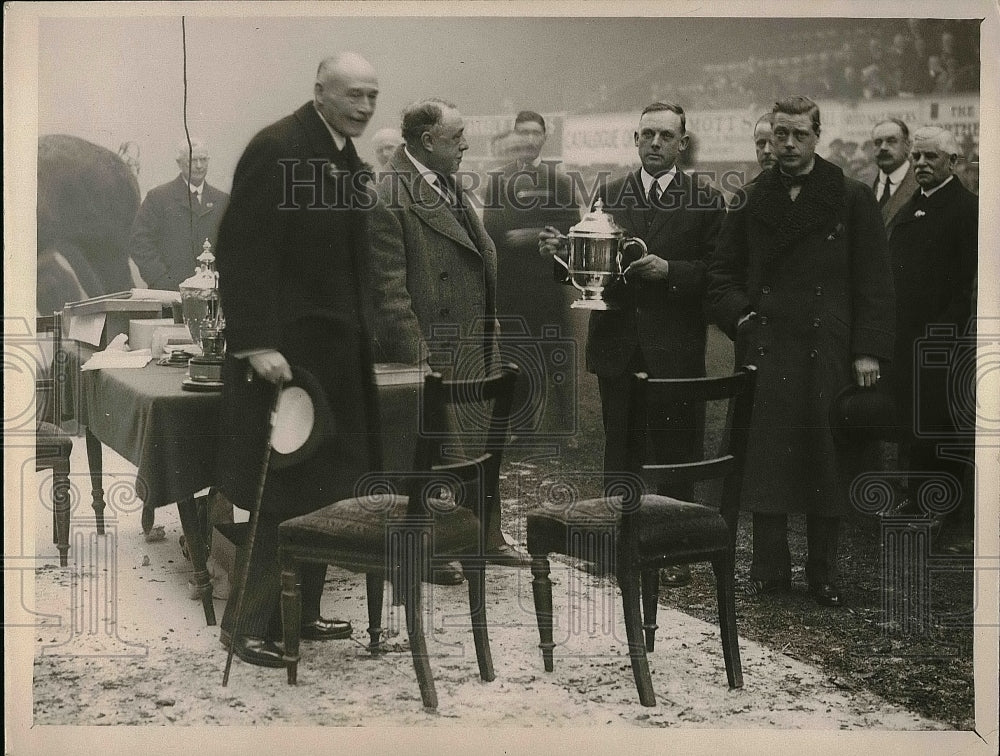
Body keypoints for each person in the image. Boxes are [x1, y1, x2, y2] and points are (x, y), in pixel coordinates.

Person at [213, 52, 382, 667]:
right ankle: (247, 623)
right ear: (319, 91)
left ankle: (301, 612)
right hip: (284, 358)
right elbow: (243, 251)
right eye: (353, 95)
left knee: (324, 483)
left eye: (372, 97)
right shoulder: (278, 147)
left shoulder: (342, 156)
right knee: (279, 487)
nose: (364, 107)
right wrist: (257, 343)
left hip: (335, 356)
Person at [707, 96, 895, 607]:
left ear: (817, 136)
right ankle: (769, 569)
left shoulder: (851, 197)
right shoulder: (748, 199)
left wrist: (868, 351)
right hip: (767, 347)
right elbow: (721, 276)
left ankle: (824, 573)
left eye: (799, 135)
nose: (788, 145)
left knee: (825, 461)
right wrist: (743, 319)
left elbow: (874, 282)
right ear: (770, 135)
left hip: (827, 348)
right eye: (780, 134)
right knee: (767, 459)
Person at [540, 102, 726, 587]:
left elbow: (720, 275)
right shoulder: (609, 193)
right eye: (648, 134)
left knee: (677, 448)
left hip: (675, 347)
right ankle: (616, 543)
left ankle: (677, 549)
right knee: (620, 448)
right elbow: (592, 271)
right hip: (619, 343)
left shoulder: (706, 200)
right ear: (635, 138)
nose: (656, 143)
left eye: (667, 136)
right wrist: (562, 256)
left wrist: (673, 272)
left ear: (682, 143)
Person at [367, 97, 529, 576]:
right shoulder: (387, 194)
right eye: (457, 137)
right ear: (427, 141)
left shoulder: (442, 182)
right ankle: (430, 547)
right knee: (432, 453)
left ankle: (484, 534)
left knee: (480, 446)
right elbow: (389, 296)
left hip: (472, 342)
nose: (465, 144)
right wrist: (420, 362)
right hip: (431, 350)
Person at [887, 126, 978, 553]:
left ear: (953, 163)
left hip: (942, 337)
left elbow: (966, 285)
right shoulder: (911, 206)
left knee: (939, 423)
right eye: (918, 157)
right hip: (905, 334)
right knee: (913, 420)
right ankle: (916, 497)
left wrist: (941, 334)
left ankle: (940, 507)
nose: (921, 164)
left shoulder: (967, 209)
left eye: (931, 158)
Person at [482, 110, 581, 438]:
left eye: (534, 133)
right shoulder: (497, 181)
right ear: (514, 136)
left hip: (548, 282)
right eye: (521, 132)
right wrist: (521, 237)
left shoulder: (560, 181)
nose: (527, 139)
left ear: (543, 137)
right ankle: (520, 427)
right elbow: (492, 229)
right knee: (515, 354)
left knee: (556, 355)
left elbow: (572, 226)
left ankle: (565, 426)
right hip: (511, 284)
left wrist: (536, 234)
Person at [128, 138, 229, 291]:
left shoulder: (222, 201)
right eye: (192, 160)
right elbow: (139, 242)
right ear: (179, 163)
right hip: (170, 293)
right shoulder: (158, 198)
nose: (199, 166)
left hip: (214, 294)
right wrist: (161, 280)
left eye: (203, 160)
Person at [870, 118, 919, 235]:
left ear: (908, 145)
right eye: (878, 142)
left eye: (891, 141)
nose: (883, 148)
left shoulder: (922, 185)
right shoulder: (863, 183)